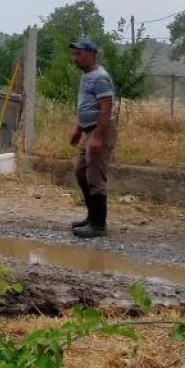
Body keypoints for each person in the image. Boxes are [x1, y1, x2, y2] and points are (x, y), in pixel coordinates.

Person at [68, 39, 117, 239]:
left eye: (78, 54)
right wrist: (78, 129)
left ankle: (98, 225)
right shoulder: (87, 76)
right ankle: (91, 217)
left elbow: (105, 109)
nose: (75, 58)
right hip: (89, 130)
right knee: (81, 172)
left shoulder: (100, 78)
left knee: (95, 177)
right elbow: (88, 106)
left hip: (99, 131)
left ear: (91, 54)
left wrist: (98, 137)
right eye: (74, 54)